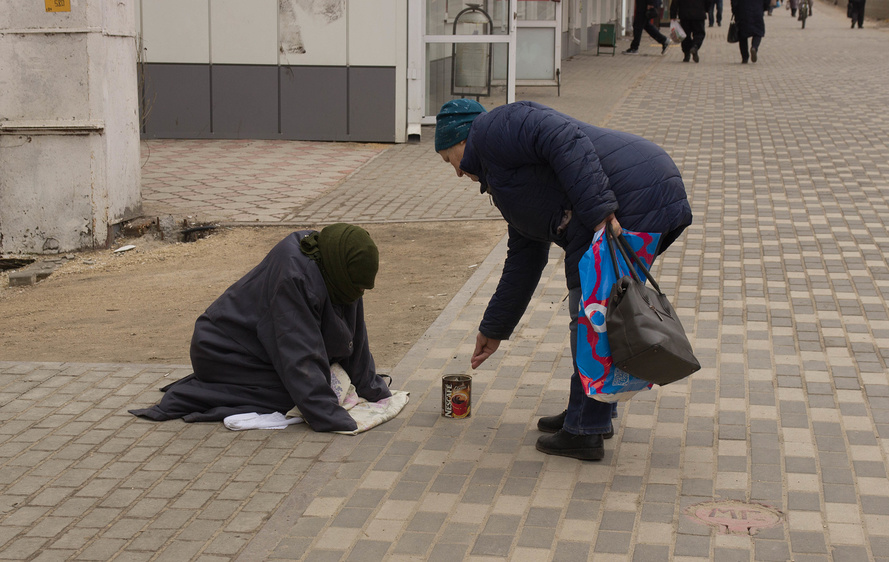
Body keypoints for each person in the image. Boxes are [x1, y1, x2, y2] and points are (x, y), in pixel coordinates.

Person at [434, 99, 692, 461]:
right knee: (600, 312)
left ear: (463, 138)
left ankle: (585, 429)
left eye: (450, 159)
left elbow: (562, 136)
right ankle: (588, 413)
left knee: (591, 316)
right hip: (634, 193)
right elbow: (525, 258)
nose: (457, 173)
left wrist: (599, 209)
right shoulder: (504, 180)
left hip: (633, 193)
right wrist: (494, 328)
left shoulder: (494, 128)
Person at [129, 224, 392, 432]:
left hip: (261, 348)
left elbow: (355, 333)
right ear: (339, 268)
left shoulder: (336, 262)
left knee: (312, 385)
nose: (358, 293)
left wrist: (372, 389)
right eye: (356, 287)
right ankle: (199, 391)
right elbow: (298, 349)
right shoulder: (295, 276)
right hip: (223, 350)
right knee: (293, 396)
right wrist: (331, 417)